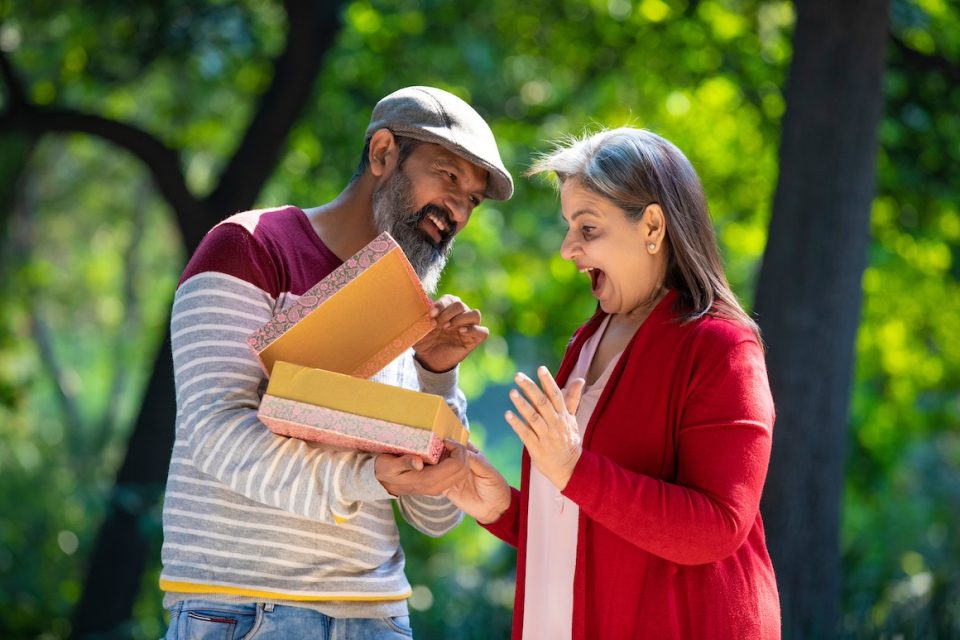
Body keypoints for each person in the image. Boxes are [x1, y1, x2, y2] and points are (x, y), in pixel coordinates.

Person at [159, 86, 514, 639]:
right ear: (381, 154)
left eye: (472, 199)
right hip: (245, 613)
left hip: (378, 617)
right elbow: (216, 431)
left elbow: (438, 515)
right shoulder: (249, 248)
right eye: (447, 177)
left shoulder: (410, 310)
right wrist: (367, 476)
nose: (458, 211)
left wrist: (437, 378)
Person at [446, 127, 780, 639]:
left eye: (587, 228)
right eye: (568, 227)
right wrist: (503, 509)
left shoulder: (723, 347)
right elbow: (590, 522)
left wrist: (574, 468)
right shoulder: (587, 340)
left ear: (652, 225)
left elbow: (718, 526)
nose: (567, 250)